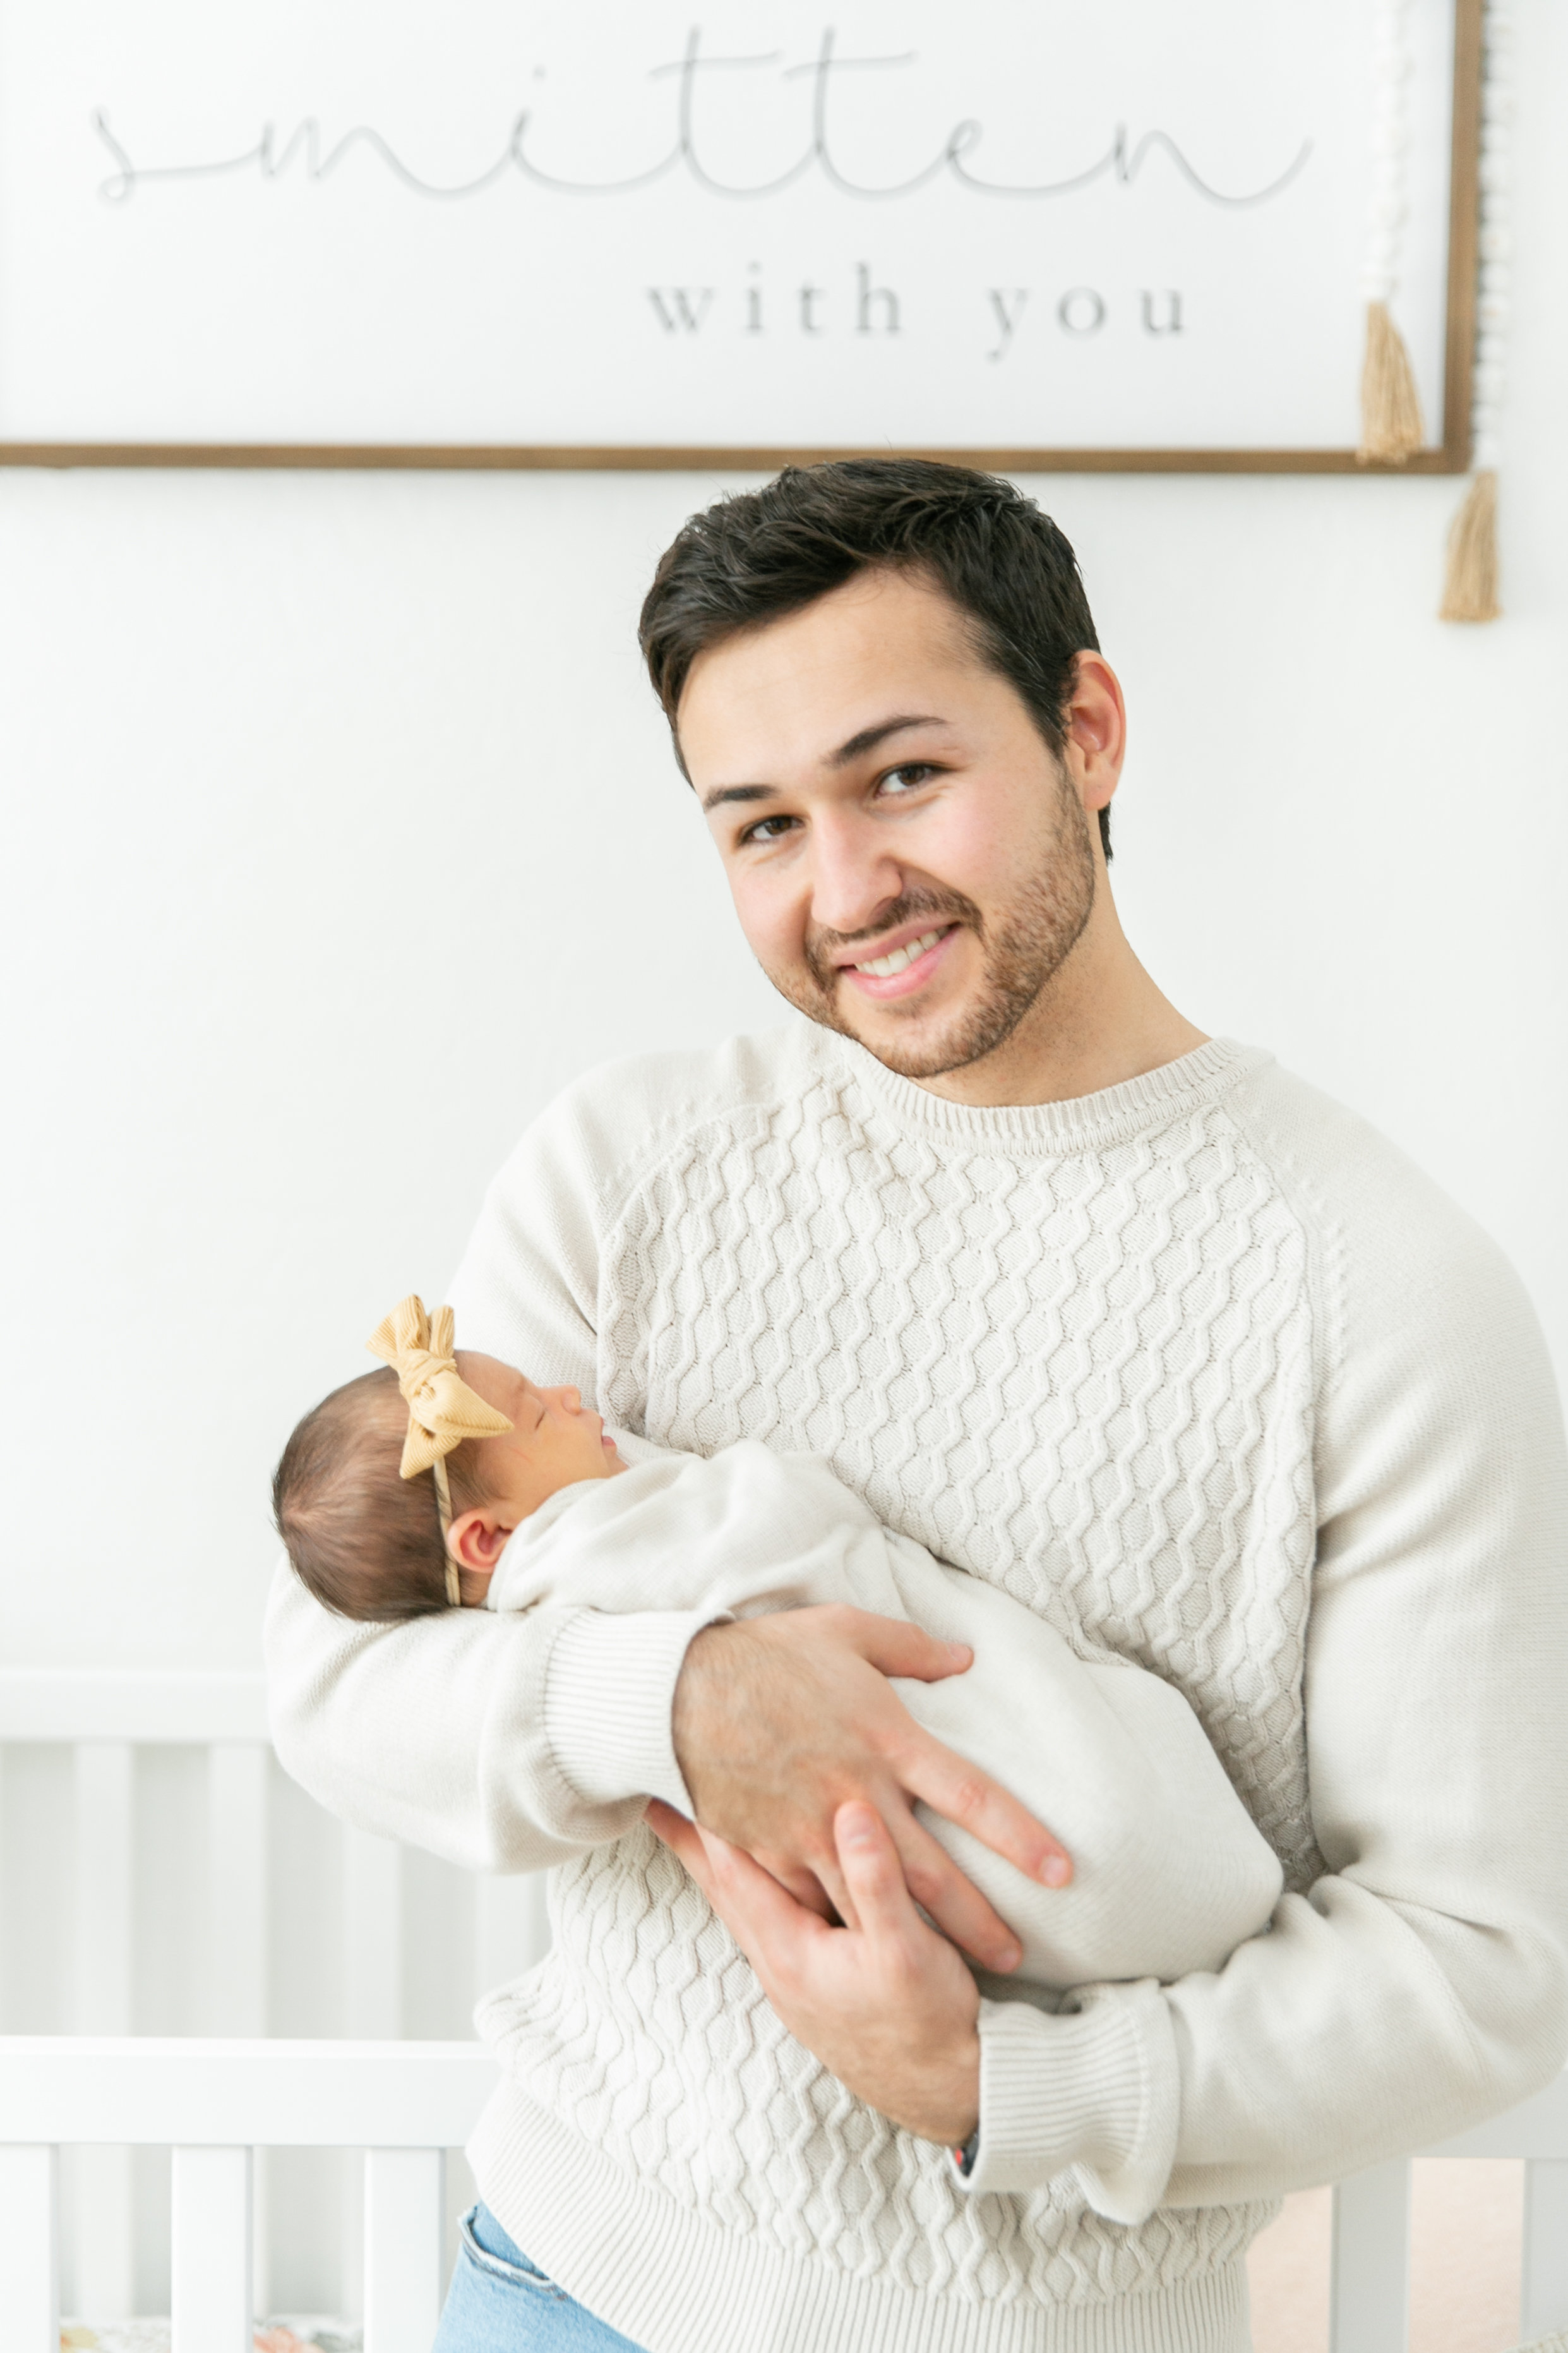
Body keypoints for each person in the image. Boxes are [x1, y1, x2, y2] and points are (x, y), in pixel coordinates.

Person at [266, 459, 1568, 2353]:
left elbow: (1474, 1959)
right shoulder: (625, 1170)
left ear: (1087, 730)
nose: (845, 887)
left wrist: (1001, 2092)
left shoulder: (1378, 1284)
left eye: (899, 777)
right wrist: (679, 1695)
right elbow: (331, 1680)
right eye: (759, 825)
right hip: (573, 2286)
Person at [270, 1296, 1282, 1992]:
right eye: (542, 1410)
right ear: (486, 1539)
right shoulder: (599, 1545)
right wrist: (663, 1694)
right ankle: (1157, 1888)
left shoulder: (556, 1539)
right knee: (1076, 1813)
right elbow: (785, 1519)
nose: (579, 1399)